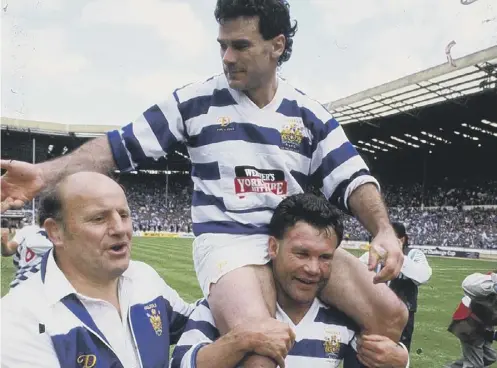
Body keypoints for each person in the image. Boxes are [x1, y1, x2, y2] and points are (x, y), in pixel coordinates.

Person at [0, 1, 407, 367]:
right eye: (222, 45)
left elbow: (352, 175)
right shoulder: (193, 102)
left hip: (293, 243)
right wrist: (45, 174)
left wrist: (384, 231)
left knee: (392, 315)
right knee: (261, 349)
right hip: (229, 245)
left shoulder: (308, 112)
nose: (227, 57)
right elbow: (119, 146)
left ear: (277, 45)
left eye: (241, 46)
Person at [0, 172, 216, 367]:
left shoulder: (142, 277)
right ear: (55, 232)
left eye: (123, 215)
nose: (120, 229)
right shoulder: (17, 319)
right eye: (99, 218)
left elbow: (195, 320)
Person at [171, 193, 409, 368]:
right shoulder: (224, 305)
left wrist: (402, 360)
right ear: (273, 247)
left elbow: (379, 357)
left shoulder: (344, 318)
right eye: (301, 254)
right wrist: (240, 340)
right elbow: (180, 363)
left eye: (325, 257)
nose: (313, 269)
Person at [359, 222, 432, 351]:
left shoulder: (414, 254)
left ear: (402, 239)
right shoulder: (374, 254)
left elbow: (423, 276)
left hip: (402, 313)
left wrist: (398, 256)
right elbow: (356, 271)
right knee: (370, 351)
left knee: (397, 353)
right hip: (374, 310)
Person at [446, 271, 497, 368]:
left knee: (489, 357)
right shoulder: (487, 282)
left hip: (484, 327)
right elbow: (467, 284)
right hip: (469, 324)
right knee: (474, 364)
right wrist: (492, 286)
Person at [1, 214, 54, 289]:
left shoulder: (62, 235)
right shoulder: (27, 230)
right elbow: (7, 251)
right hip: (24, 285)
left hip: (31, 284)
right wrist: (4, 244)